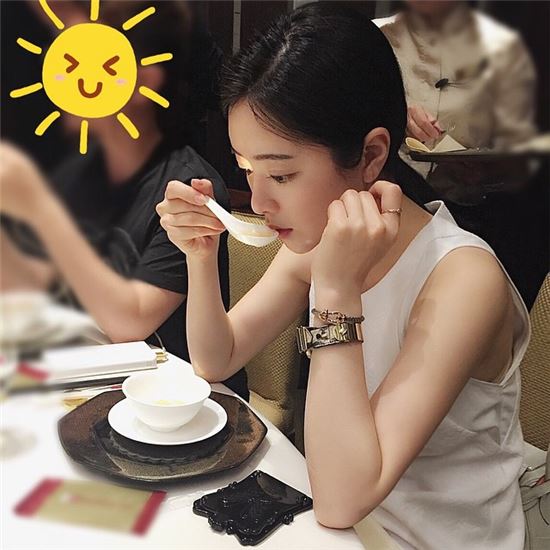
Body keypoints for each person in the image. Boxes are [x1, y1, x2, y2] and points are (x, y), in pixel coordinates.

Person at [157, 4, 530, 548]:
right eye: (247, 169)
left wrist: (335, 291)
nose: (258, 202)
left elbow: (341, 497)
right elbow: (217, 359)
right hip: (341, 524)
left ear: (372, 154)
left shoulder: (463, 278)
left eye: (281, 174)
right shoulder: (319, 240)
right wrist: (199, 255)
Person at [0, 0, 248, 399]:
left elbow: (129, 324)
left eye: (104, 65)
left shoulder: (188, 188)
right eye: (66, 65)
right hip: (77, 372)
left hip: (176, 397)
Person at [374, 0, 538, 206]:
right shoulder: (374, 37)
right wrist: (395, 116)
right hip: (392, 200)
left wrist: (488, 170)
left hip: (472, 205)